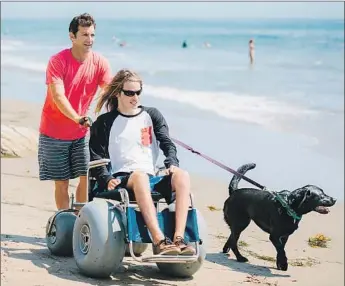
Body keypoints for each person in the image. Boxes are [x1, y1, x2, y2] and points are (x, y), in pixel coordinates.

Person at [89, 69, 196, 256]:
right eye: (129, 93)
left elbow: (167, 144)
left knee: (182, 176)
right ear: (117, 93)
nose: (135, 97)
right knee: (139, 176)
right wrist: (106, 178)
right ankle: (160, 241)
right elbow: (96, 156)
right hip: (122, 178)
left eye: (138, 92)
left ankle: (179, 239)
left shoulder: (152, 115)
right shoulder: (105, 122)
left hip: (150, 177)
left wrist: (172, 162)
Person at [38, 13, 112, 211]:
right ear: (72, 36)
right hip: (54, 131)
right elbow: (58, 96)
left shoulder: (100, 62)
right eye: (85, 35)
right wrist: (77, 118)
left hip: (81, 133)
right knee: (61, 183)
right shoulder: (57, 61)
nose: (90, 40)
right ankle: (65, 221)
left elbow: (110, 93)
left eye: (93, 35)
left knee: (86, 177)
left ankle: (80, 220)